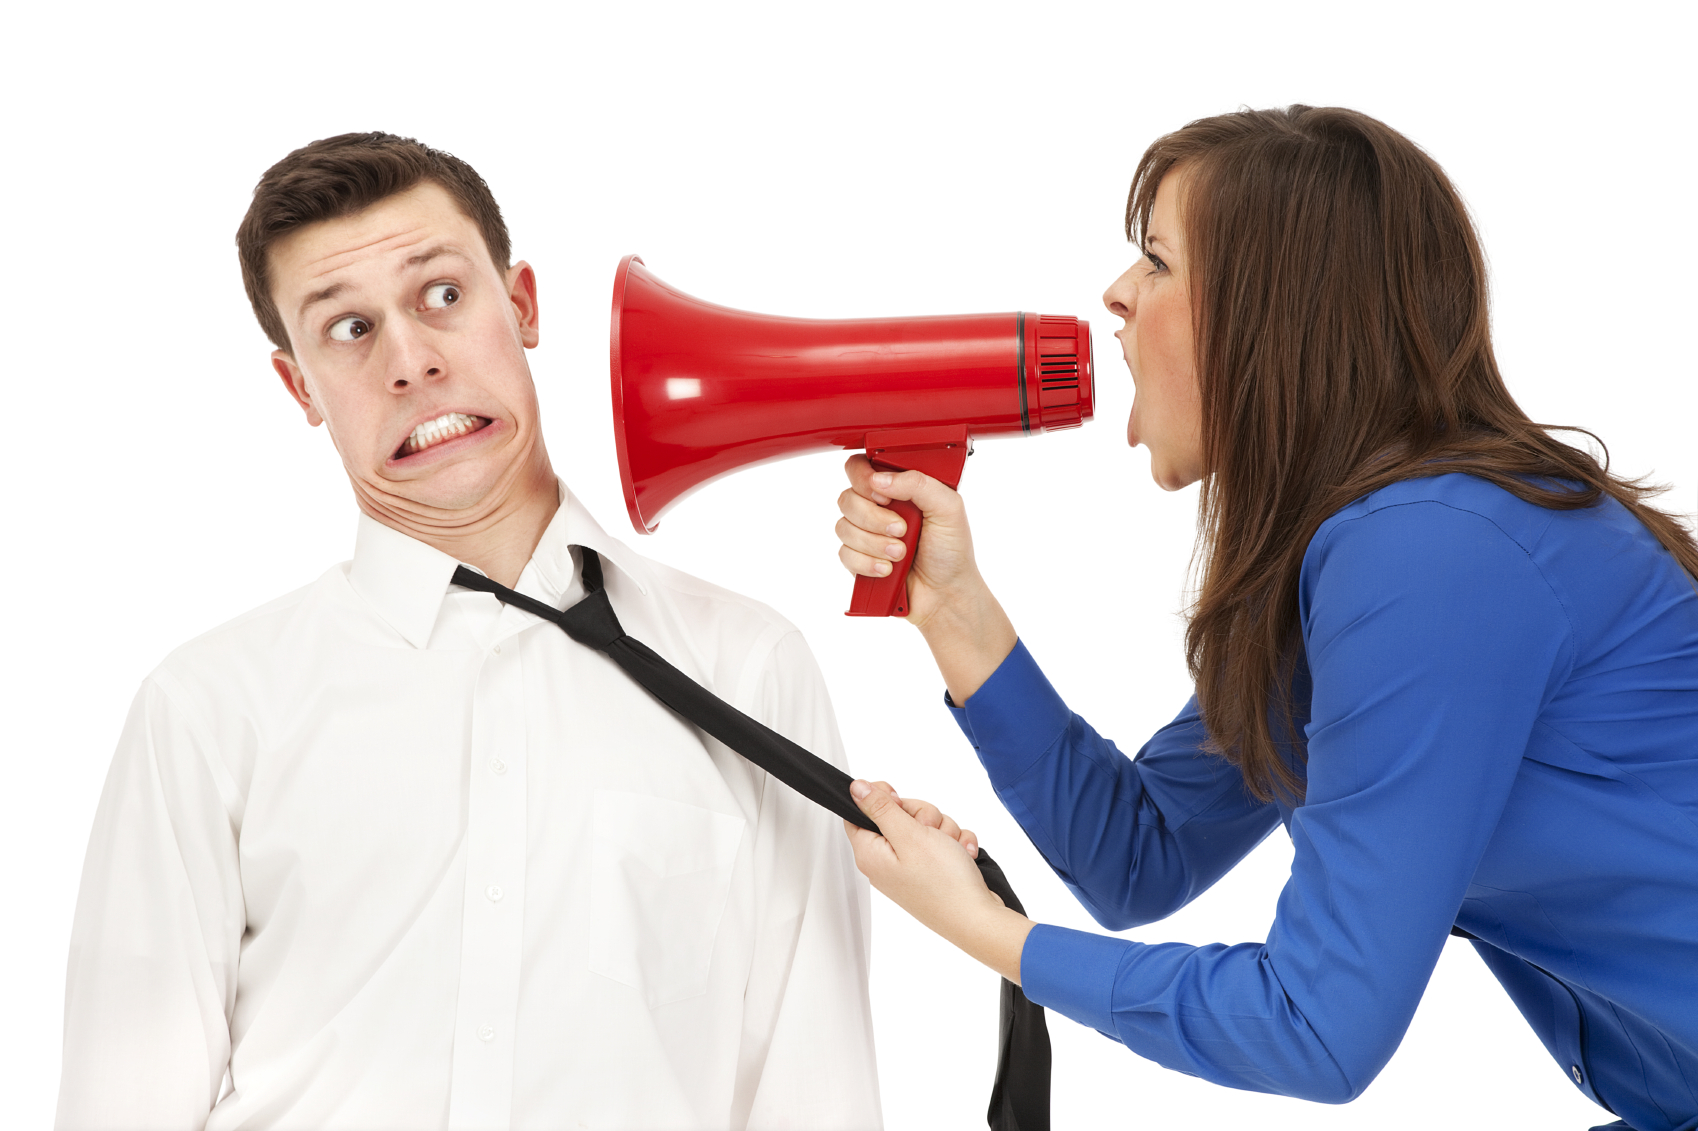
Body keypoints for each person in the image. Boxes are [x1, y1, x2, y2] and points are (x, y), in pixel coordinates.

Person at [832, 105, 1698, 1131]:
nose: (1114, 295)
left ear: (1273, 315)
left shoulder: (1431, 554)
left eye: (1155, 261)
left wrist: (990, 936)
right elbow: (1139, 857)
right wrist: (955, 612)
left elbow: (1316, 1029)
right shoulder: (1372, 553)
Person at [57, 132, 881, 1131]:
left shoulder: (746, 670)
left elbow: (814, 1087)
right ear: (299, 387)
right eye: (349, 328)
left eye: (442, 295)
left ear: (522, 304)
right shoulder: (207, 710)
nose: (412, 362)